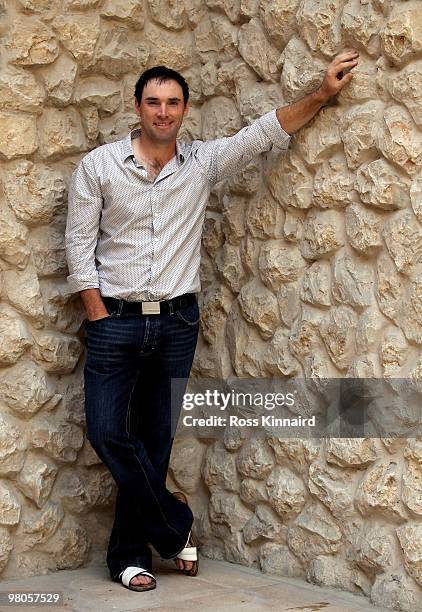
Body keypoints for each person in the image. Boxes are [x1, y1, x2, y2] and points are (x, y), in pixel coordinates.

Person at [65, 49, 359, 592]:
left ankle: (129, 558)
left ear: (184, 110)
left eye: (172, 103)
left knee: (154, 441)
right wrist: (98, 315)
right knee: (107, 431)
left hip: (177, 322)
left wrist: (321, 94)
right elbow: (79, 247)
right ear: (137, 106)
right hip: (116, 323)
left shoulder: (201, 163)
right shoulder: (99, 167)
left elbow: (264, 132)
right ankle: (175, 526)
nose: (162, 111)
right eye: (153, 102)